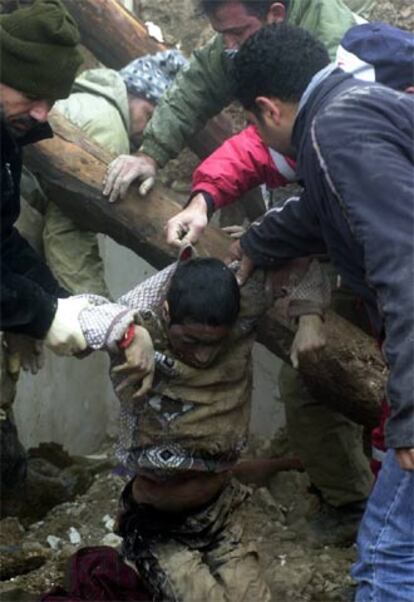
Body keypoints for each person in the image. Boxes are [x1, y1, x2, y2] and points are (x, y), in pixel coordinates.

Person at [229, 23, 414, 599]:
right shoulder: (350, 111)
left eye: (253, 126)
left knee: (386, 557)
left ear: (266, 108)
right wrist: (256, 244)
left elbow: (406, 265)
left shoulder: (336, 129)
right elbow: (326, 208)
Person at [75, 252, 281, 601]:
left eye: (213, 343)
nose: (203, 356)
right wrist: (130, 334)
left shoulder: (240, 312)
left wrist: (309, 315)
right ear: (168, 312)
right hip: (159, 527)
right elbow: (82, 313)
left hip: (221, 513)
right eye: (191, 341)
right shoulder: (145, 331)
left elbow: (301, 253)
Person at [102, 0, 367, 203]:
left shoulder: (337, 53)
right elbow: (198, 84)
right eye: (222, 35)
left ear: (275, 14)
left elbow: (302, 152)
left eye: (237, 33)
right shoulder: (244, 31)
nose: (229, 47)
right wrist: (149, 155)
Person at [0, 0, 92, 510]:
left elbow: (0, 239)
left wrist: (57, 298)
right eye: (32, 95)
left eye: (51, 100)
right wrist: (41, 314)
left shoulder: (7, 131)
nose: (41, 113)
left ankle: (9, 497)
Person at [42, 50, 187, 297]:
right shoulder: (110, 128)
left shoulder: (84, 101)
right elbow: (69, 231)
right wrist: (98, 311)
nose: (148, 131)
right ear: (132, 91)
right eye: (149, 115)